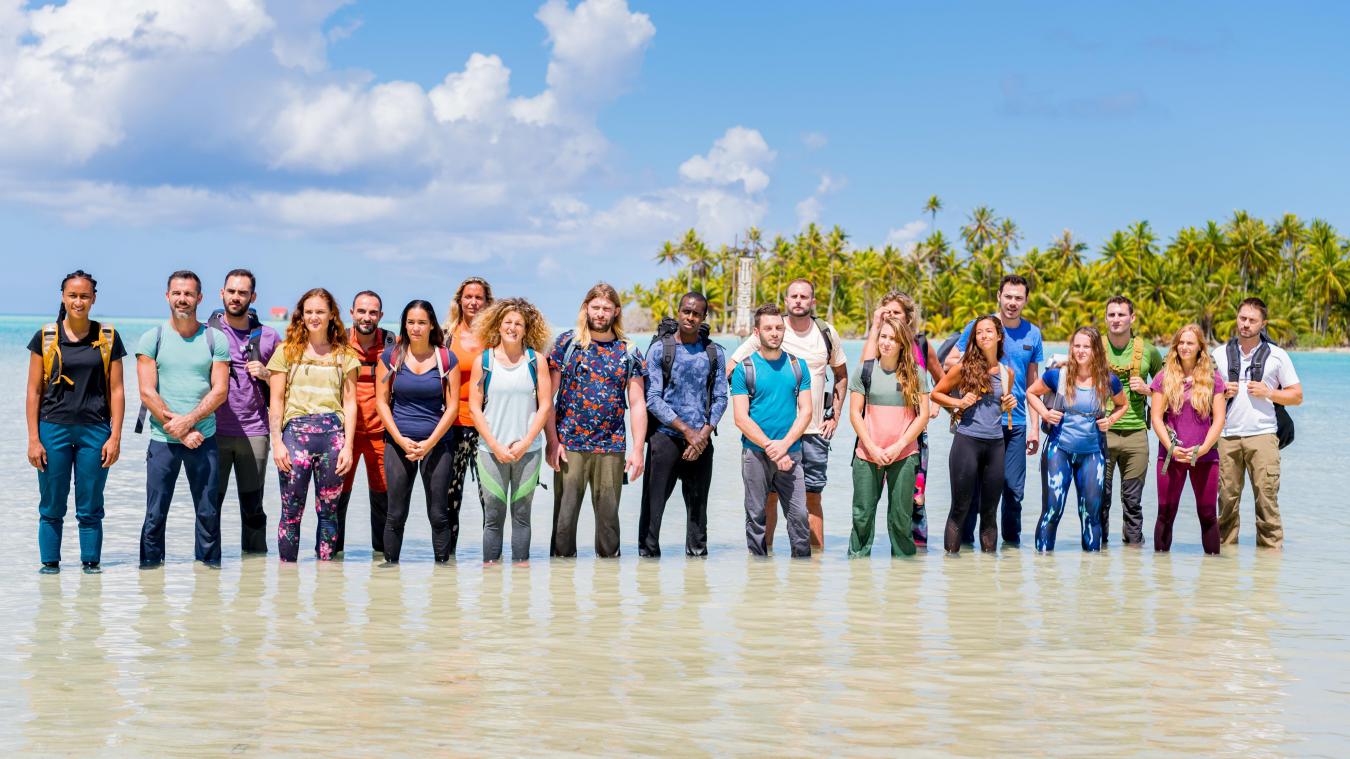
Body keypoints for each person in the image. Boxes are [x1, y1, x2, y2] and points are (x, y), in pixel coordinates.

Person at [728, 279, 846, 552]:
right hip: (765, 442)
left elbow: (840, 376)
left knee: (809, 503)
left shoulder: (823, 335)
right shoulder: (761, 344)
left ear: (812, 301)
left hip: (810, 434)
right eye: (794, 295)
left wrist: (835, 416)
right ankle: (762, 570)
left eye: (805, 296)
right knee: (763, 505)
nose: (799, 300)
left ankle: (811, 571)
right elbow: (733, 378)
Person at [26, 270, 126, 574]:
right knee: (52, 504)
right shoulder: (46, 336)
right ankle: (50, 570)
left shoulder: (107, 337)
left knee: (91, 506)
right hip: (52, 427)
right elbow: (33, 391)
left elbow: (117, 390)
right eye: (73, 295)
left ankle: (91, 569)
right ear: (63, 297)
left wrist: (116, 437)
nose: (78, 301)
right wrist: (33, 438)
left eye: (84, 296)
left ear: (93, 298)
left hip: (95, 430)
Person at [135, 270, 230, 568]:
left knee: (208, 513)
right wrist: (179, 432)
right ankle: (150, 579)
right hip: (163, 440)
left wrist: (188, 422)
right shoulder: (154, 338)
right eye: (177, 293)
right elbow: (147, 393)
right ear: (167, 296)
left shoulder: (216, 339)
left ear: (199, 298)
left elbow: (220, 391)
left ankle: (209, 581)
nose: (182, 299)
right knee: (155, 514)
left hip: (204, 438)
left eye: (189, 294)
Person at [545, 283, 647, 558]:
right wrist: (552, 442)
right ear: (586, 309)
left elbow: (637, 403)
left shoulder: (628, 351)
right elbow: (547, 400)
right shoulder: (567, 344)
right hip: (570, 445)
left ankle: (608, 592)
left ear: (616, 312)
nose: (600, 313)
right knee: (564, 524)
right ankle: (561, 589)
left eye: (606, 308)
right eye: (595, 307)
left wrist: (638, 450)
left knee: (609, 525)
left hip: (611, 448)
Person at [944, 274, 1043, 547]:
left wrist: (1035, 428)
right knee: (971, 494)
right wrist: (981, 359)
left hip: (1017, 421)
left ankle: (1011, 552)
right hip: (979, 419)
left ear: (1025, 300)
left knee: (1013, 491)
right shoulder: (981, 327)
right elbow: (952, 359)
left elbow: (1034, 382)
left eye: (1018, 298)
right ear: (999, 296)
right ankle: (963, 550)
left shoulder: (1033, 334)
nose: (1012, 302)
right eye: (1008, 296)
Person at [266, 288, 360, 562]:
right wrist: (277, 443)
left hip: (334, 439)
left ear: (332, 315)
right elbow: (276, 401)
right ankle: (287, 579)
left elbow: (351, 402)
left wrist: (349, 447)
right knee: (291, 513)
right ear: (301, 315)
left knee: (329, 513)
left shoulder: (345, 354)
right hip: (295, 438)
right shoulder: (286, 351)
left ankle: (326, 582)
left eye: (320, 311)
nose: (314, 317)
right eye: (309, 312)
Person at [639, 292, 728, 557]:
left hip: (701, 442)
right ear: (678, 312)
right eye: (686, 312)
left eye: (696, 313)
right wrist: (688, 432)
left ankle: (696, 583)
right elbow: (652, 399)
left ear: (703, 317)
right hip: (665, 439)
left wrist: (703, 435)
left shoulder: (713, 353)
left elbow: (721, 397)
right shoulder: (660, 350)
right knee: (652, 514)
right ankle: (648, 581)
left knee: (698, 517)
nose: (690, 317)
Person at [1212, 297, 1303, 549]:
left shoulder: (1278, 356)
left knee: (1266, 501)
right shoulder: (1219, 354)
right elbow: (1201, 397)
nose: (1246, 324)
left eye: (1252, 320)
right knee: (1226, 505)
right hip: (1226, 436)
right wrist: (1220, 393)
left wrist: (1269, 392)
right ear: (1236, 318)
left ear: (1263, 323)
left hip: (1263, 435)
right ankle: (1223, 571)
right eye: (1242, 318)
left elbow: (1297, 395)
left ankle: (1269, 571)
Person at [1026, 327, 1128, 552]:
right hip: (1058, 451)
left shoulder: (1108, 380)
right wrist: (1045, 413)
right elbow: (1031, 393)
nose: (1080, 351)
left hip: (1093, 453)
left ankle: (1090, 577)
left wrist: (1110, 420)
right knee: (1052, 510)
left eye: (1086, 347)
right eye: (1077, 345)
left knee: (1091, 514)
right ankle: (1044, 569)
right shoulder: (1057, 375)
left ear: (1096, 351)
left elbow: (1123, 405)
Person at [375, 300, 460, 564]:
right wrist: (400, 440)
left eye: (422, 322)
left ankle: (443, 579)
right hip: (398, 443)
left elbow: (453, 406)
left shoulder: (446, 358)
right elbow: (381, 401)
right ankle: (391, 578)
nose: (416, 328)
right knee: (396, 514)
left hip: (438, 444)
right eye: (411, 322)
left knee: (438, 515)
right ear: (404, 325)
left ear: (431, 324)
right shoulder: (391, 357)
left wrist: (430, 443)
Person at [469, 298, 553, 563]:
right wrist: (494, 445)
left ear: (526, 329)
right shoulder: (483, 361)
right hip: (490, 450)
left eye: (519, 324)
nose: (513, 328)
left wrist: (527, 441)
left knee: (521, 515)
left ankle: (521, 577)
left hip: (528, 451)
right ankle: (490, 577)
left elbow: (545, 405)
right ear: (498, 325)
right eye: (508, 322)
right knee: (493, 518)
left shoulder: (535, 361)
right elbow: (474, 408)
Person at [861, 291, 944, 548]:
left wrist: (936, 403)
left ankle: (914, 561)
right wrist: (876, 326)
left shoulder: (921, 344)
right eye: (886, 313)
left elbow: (941, 379)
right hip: (877, 435)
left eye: (896, 313)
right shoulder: (879, 342)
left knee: (914, 499)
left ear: (908, 317)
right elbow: (864, 367)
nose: (891, 317)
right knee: (868, 502)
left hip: (914, 435)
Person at [731, 304, 813, 557]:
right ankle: (758, 579)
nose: (774, 333)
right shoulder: (744, 369)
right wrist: (772, 447)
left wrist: (784, 445)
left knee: (799, 516)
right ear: (757, 332)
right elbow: (740, 418)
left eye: (779, 327)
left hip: (792, 453)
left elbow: (806, 411)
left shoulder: (798, 366)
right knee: (756, 516)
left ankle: (801, 578)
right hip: (755, 454)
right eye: (768, 328)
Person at [931, 315, 1016, 554]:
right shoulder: (963, 368)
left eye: (989, 331)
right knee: (960, 508)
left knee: (990, 513)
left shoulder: (1006, 372)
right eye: (979, 332)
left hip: (996, 445)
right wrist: (958, 402)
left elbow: (1001, 405)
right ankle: (953, 576)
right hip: (967, 442)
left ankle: (988, 580)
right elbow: (936, 394)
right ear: (974, 338)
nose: (984, 336)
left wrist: (1009, 403)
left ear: (999, 336)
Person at [210, 269, 280, 554]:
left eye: (242, 293)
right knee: (209, 507)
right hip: (214, 432)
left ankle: (253, 579)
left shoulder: (270, 336)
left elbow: (285, 383)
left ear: (253, 297)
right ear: (222, 293)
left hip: (255, 433)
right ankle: (206, 569)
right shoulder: (207, 332)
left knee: (253, 509)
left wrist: (265, 373)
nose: (236, 297)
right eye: (232, 291)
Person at [847, 315, 930, 557]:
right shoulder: (864, 370)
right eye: (883, 336)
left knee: (901, 519)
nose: (886, 342)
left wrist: (899, 446)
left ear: (903, 342)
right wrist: (872, 447)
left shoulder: (916, 374)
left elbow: (922, 416)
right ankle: (858, 575)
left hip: (904, 456)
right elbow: (854, 414)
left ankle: (903, 579)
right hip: (867, 454)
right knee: (861, 516)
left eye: (893, 338)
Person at [1151, 324, 1226, 554]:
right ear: (1175, 346)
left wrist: (1202, 449)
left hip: (1205, 457)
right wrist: (1171, 450)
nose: (1184, 347)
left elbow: (1219, 420)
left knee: (1207, 515)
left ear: (1200, 348)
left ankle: (1212, 577)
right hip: (1170, 456)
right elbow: (1156, 418)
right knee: (1165, 513)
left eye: (1190, 343)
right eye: (1181, 343)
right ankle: (1162, 575)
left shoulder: (1213, 379)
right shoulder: (1163, 378)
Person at [1100, 296, 1164, 547]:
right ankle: (1097, 555)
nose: (1116, 319)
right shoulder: (1095, 346)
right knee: (1100, 500)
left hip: (1136, 434)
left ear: (1132, 318)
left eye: (1121, 315)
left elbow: (1168, 387)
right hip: (1101, 433)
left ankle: (1134, 562)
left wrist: (1148, 389)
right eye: (1111, 315)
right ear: (1106, 318)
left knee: (1133, 502)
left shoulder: (1148, 350)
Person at [336, 290, 394, 555]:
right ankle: (331, 564)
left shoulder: (393, 344)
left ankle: (382, 572)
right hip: (343, 436)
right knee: (337, 500)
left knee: (383, 501)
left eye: (372, 312)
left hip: (380, 434)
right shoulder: (338, 341)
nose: (366, 317)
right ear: (351, 313)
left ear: (381, 316)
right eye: (361, 311)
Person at [443, 276, 494, 554]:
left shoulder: (496, 336)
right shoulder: (446, 335)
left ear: (487, 302)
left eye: (479, 297)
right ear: (460, 301)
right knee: (450, 498)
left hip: (488, 426)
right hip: (453, 425)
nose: (473, 302)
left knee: (490, 498)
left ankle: (492, 562)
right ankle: (447, 565)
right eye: (468, 297)